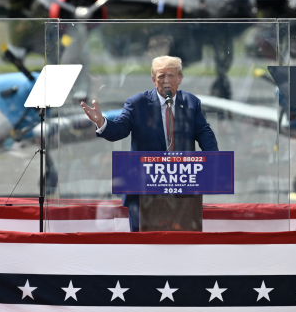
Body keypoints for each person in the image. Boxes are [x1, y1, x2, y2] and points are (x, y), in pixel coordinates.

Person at [81, 55, 219, 231]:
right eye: (161, 76)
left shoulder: (191, 103)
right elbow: (119, 130)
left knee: (183, 245)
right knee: (144, 249)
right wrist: (102, 122)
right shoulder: (137, 103)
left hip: (182, 191)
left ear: (180, 79)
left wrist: (213, 160)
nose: (166, 81)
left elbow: (204, 133)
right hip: (143, 191)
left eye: (171, 76)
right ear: (154, 80)